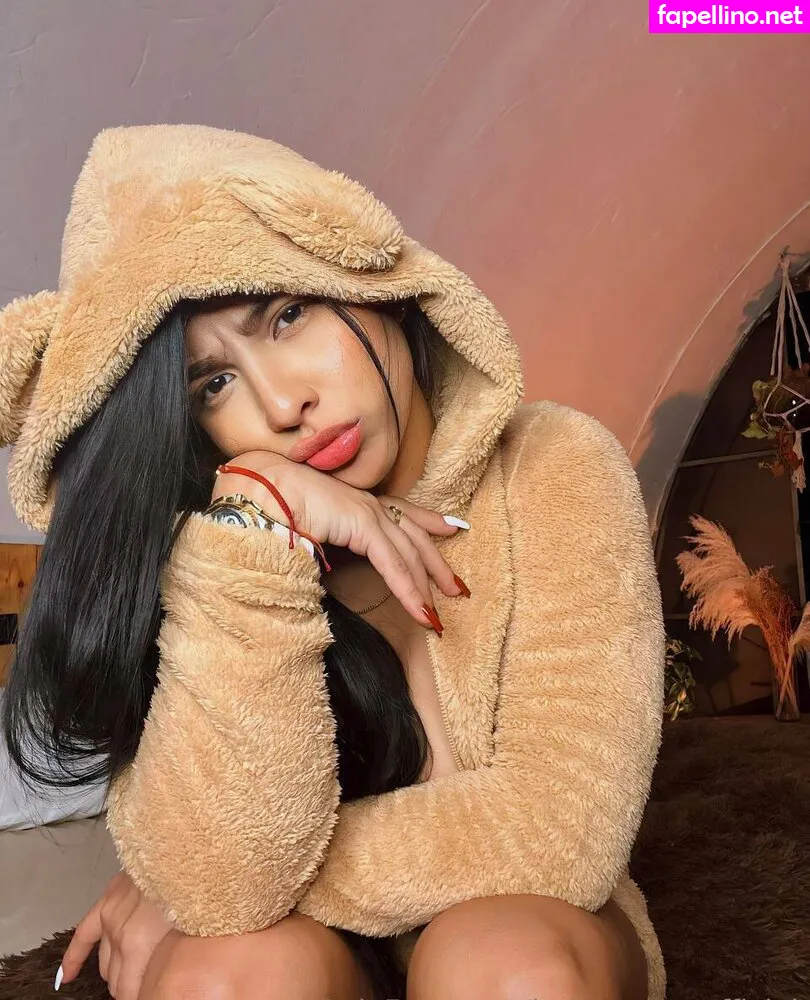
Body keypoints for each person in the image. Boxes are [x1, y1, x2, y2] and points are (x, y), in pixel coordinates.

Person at [0, 124, 666, 1000]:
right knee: (220, 976)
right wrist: (257, 533)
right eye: (214, 384)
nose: (284, 403)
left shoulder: (553, 464)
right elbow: (226, 884)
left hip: (540, 921)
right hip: (325, 957)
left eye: (288, 315)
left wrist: (181, 889)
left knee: (502, 965)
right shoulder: (209, 554)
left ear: (363, 280)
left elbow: (560, 832)